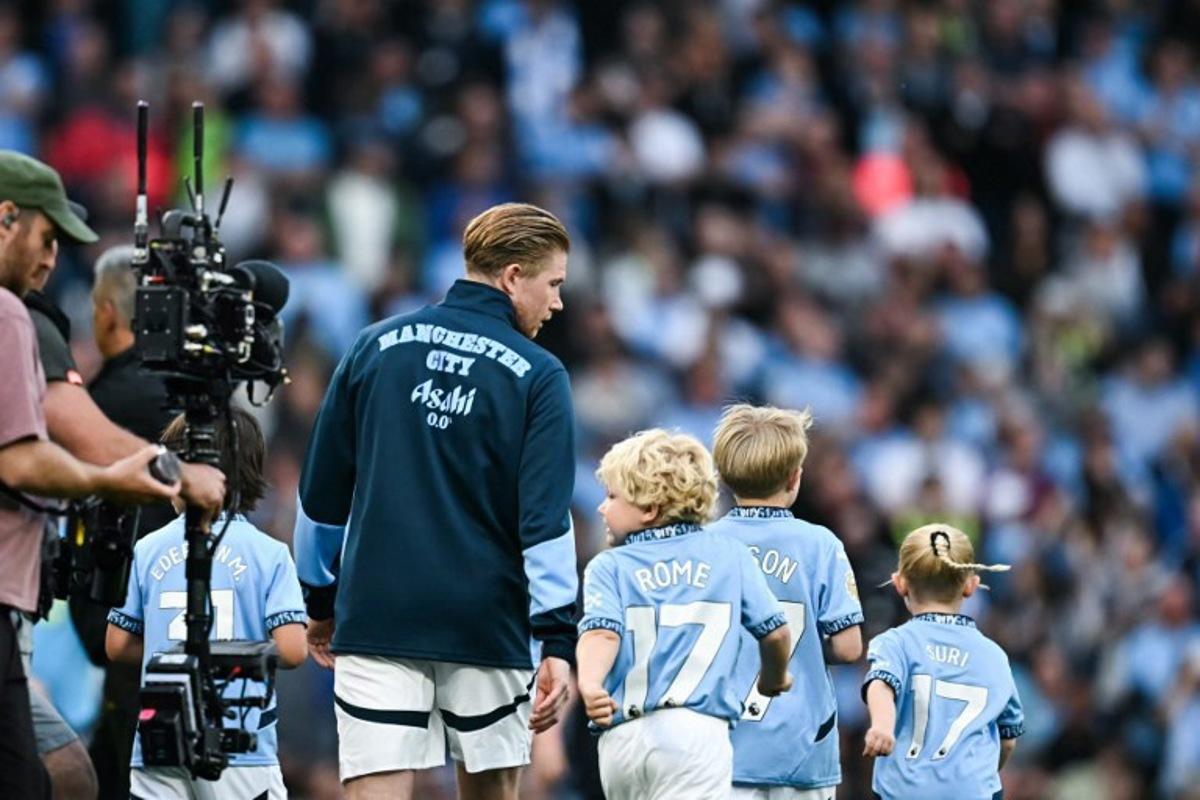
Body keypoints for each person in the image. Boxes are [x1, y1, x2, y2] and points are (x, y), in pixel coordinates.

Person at [295, 202, 578, 799]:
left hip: (377, 617)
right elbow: (545, 523)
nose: (557, 304)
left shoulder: (374, 346)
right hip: (486, 625)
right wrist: (556, 638)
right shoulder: (539, 374)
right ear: (512, 277)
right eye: (553, 284)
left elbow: (320, 497)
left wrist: (320, 601)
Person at [6, 151, 221, 800]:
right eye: (45, 239)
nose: (50, 262)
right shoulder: (11, 315)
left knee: (66, 773)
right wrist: (162, 475)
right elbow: (25, 456)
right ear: (5, 217)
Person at [577, 429, 794, 800]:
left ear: (649, 509)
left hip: (621, 740)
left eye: (612, 496)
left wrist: (591, 684)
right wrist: (774, 677)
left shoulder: (607, 566)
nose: (602, 507)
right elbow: (775, 633)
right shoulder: (730, 555)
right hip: (694, 735)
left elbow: (601, 634)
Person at [106, 408, 308, 800]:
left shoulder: (147, 549)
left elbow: (117, 644)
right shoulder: (269, 553)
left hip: (160, 734)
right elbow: (293, 649)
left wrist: (169, 655)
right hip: (238, 741)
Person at [706, 404, 864, 800]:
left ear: (723, 477)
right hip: (801, 747)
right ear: (795, 478)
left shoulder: (704, 546)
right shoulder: (821, 545)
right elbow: (849, 647)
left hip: (720, 748)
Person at [84, 245, 179, 800]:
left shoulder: (112, 398)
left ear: (107, 313)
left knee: (128, 777)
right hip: (173, 623)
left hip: (134, 631)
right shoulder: (179, 390)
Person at [861, 524, 1024, 800]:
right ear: (971, 585)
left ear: (899, 583)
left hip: (903, 792)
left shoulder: (895, 642)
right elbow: (1008, 738)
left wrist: (882, 726)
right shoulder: (994, 655)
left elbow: (881, 684)